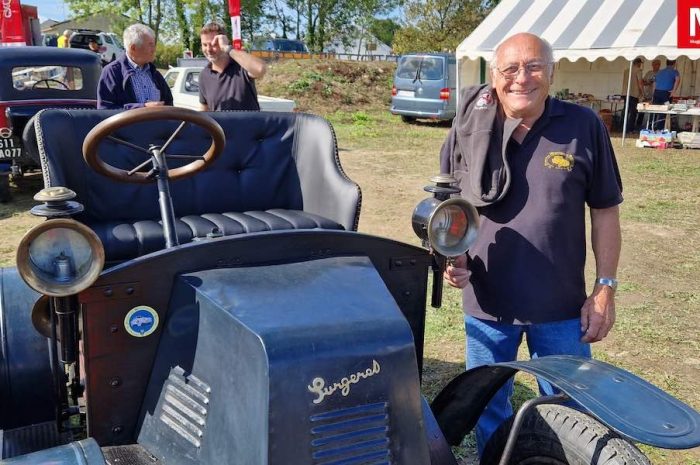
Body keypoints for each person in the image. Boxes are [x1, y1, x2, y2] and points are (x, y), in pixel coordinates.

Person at [440, 32, 622, 456]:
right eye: (510, 68)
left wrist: (604, 288)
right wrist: (454, 255)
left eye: (534, 66)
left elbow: (606, 210)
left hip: (561, 308)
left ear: (552, 73)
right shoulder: (468, 125)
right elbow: (449, 204)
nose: (522, 78)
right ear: (494, 76)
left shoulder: (583, 126)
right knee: (489, 406)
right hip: (488, 305)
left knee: (572, 409)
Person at [97, 24, 172, 110]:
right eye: (150, 45)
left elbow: (169, 104)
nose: (154, 49)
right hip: (127, 124)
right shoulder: (111, 73)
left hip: (158, 123)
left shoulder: (155, 74)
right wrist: (142, 108)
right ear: (133, 48)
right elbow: (105, 110)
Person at [198, 22, 267, 111]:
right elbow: (204, 110)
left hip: (250, 125)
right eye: (205, 45)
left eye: (214, 44)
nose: (208, 49)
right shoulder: (204, 76)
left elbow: (260, 68)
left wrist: (227, 48)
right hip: (220, 125)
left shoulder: (241, 66)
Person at [622, 58, 644, 131]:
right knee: (633, 112)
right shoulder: (638, 70)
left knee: (625, 111)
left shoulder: (626, 70)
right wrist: (642, 92)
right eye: (640, 63)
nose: (640, 65)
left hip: (625, 92)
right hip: (633, 93)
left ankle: (622, 127)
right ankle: (630, 129)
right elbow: (640, 82)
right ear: (638, 63)